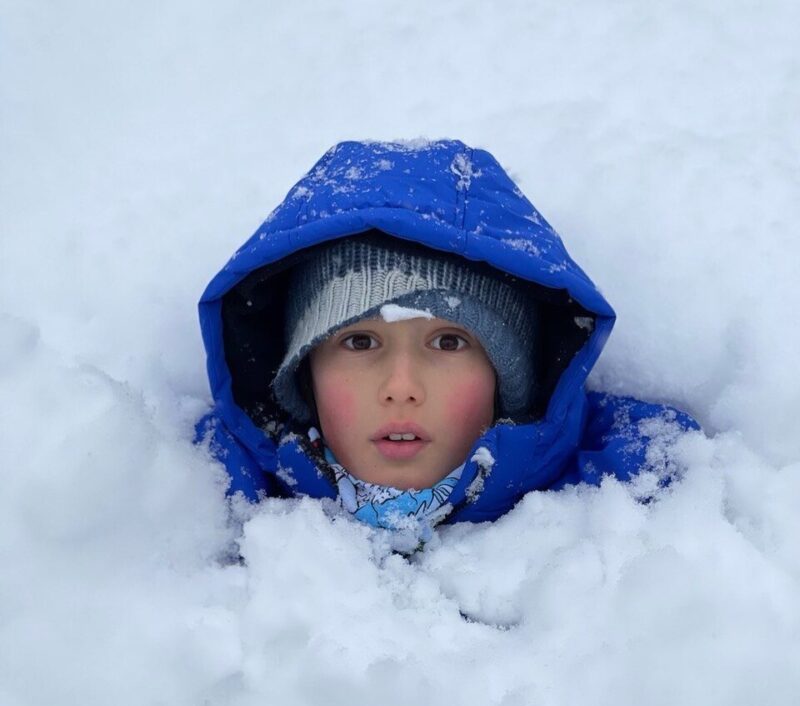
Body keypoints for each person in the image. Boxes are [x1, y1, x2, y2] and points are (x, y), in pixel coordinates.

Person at [196, 139, 697, 549]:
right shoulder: (203, 495)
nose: (401, 387)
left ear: (510, 377)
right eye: (360, 340)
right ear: (303, 375)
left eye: (449, 341)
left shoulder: (636, 501)